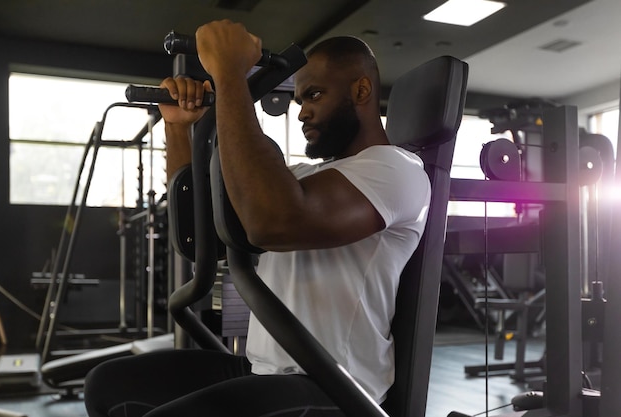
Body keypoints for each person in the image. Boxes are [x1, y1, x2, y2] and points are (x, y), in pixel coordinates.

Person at [84, 19, 430, 417]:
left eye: (314, 95)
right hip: (264, 370)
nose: (303, 113)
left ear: (361, 90)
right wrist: (180, 129)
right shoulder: (304, 178)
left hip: (334, 388)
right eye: (299, 101)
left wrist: (231, 75)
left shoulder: (396, 170)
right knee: (109, 385)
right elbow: (202, 236)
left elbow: (274, 223)